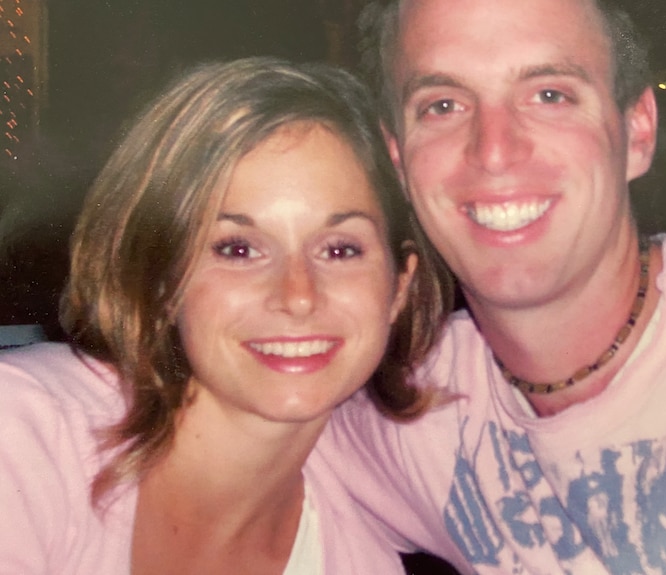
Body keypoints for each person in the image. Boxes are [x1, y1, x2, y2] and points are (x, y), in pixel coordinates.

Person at [316, 0, 666, 573]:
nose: (495, 151)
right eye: (443, 105)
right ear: (399, 161)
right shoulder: (407, 417)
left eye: (550, 95)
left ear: (638, 129)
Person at [0, 57, 451, 574]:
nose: (298, 296)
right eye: (238, 249)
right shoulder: (24, 441)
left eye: (340, 249)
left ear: (399, 286)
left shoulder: (357, 557)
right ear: (164, 279)